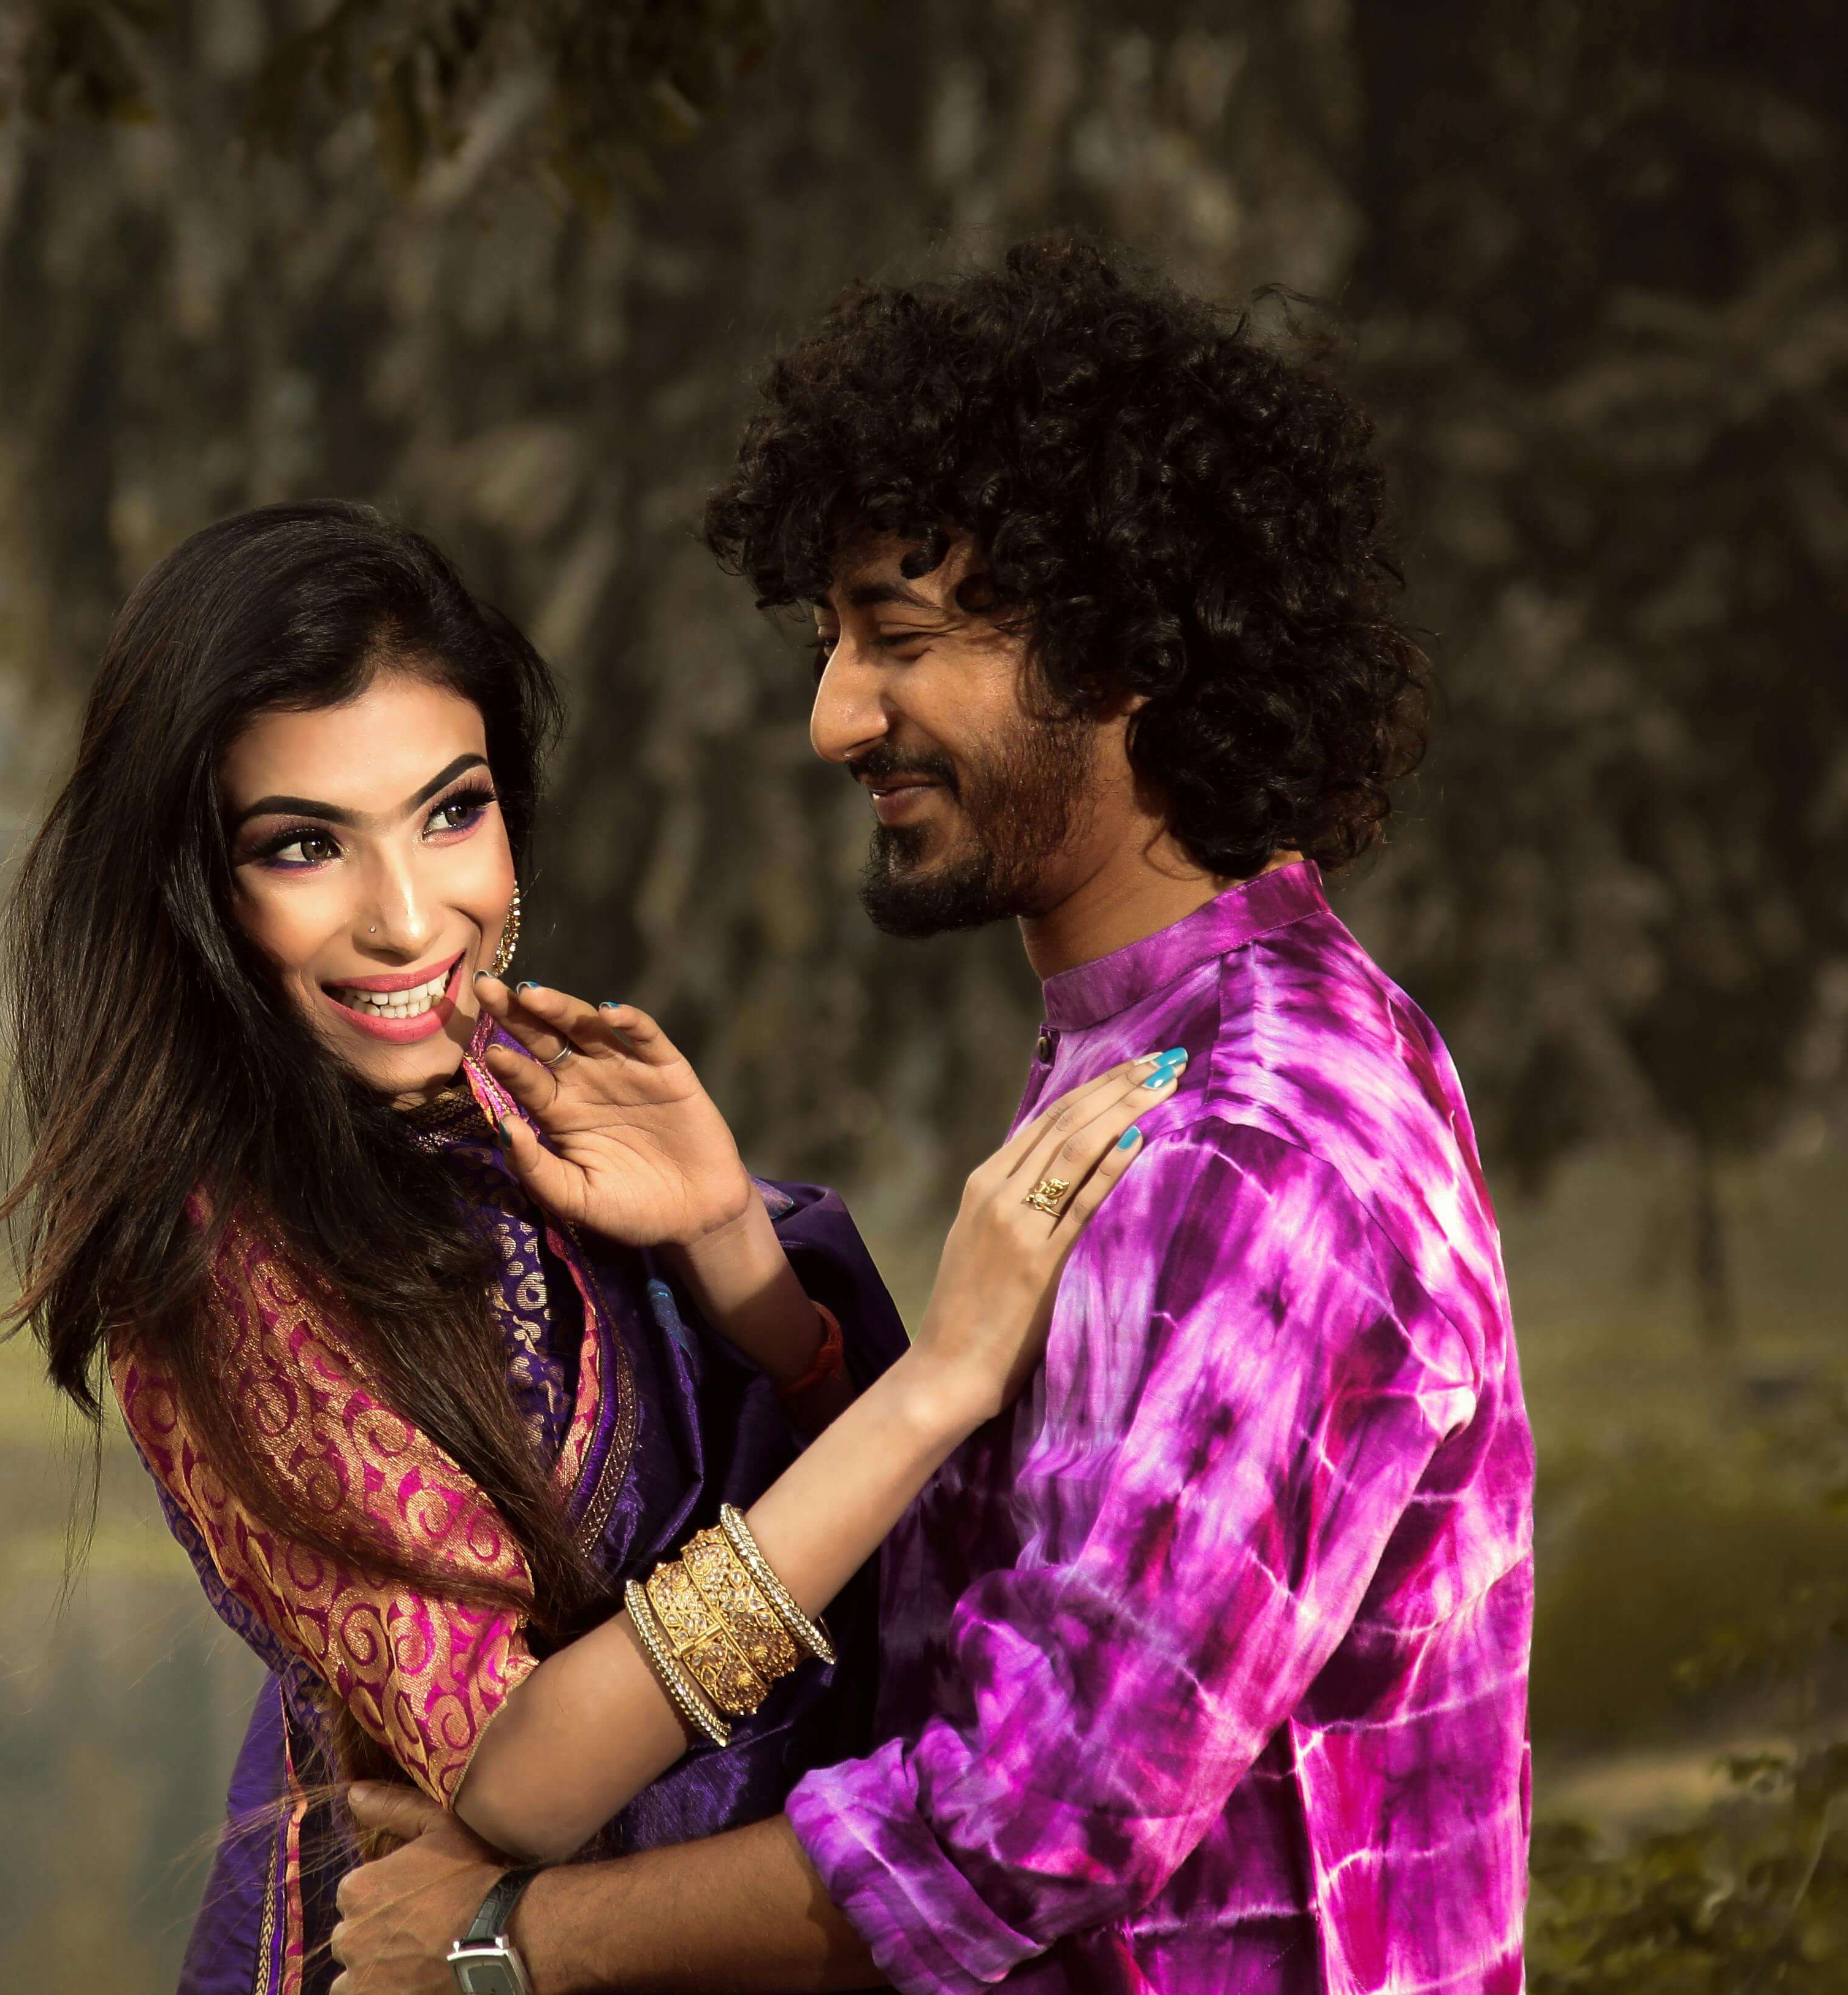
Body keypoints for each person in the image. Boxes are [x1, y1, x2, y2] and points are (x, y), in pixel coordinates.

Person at [332, 242, 1533, 1993]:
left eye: (897, 640)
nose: (832, 718)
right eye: (830, 642)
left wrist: (506, 1942)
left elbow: (1025, 1825)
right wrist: (745, 1260)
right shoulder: (1176, 1043)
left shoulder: (1256, 1148)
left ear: (1130, 645)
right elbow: (1015, 1591)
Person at [0, 499, 1178, 1995]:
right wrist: (933, 1381)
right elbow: (515, 1775)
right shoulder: (225, 1264)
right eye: (303, 847)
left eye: (450, 810)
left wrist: (719, 1231)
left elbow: (816, 1499)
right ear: (197, 895)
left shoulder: (526, 1100)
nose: (409, 918)